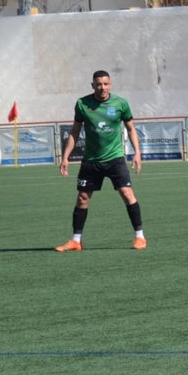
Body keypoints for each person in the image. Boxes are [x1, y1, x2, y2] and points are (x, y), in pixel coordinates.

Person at [55, 70, 146, 252]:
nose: (102, 87)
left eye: (105, 84)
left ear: (110, 84)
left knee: (127, 194)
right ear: (93, 85)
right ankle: (75, 241)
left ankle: (140, 237)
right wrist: (65, 157)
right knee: (82, 199)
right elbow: (74, 132)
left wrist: (137, 153)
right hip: (91, 161)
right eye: (98, 84)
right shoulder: (82, 104)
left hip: (115, 159)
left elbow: (131, 129)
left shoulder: (121, 103)